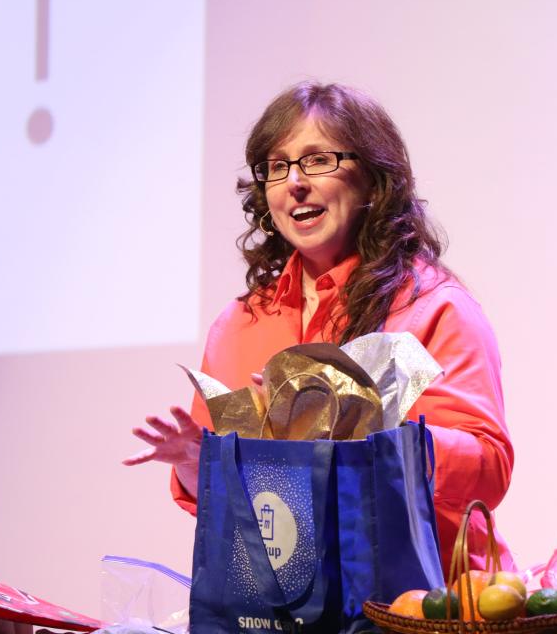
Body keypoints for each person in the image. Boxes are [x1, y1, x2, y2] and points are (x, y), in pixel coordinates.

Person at [124, 81, 514, 573]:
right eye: (278, 166)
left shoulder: (433, 308)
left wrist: (370, 435)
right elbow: (236, 512)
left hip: (422, 606)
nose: (295, 182)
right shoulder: (239, 325)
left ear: (374, 179)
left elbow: (488, 470)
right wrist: (196, 464)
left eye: (318, 159)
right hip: (286, 607)